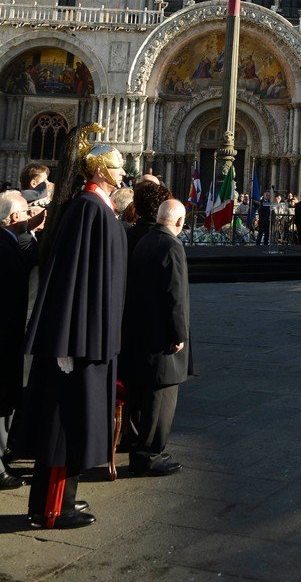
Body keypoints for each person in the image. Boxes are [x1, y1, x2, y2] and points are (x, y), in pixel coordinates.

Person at [21, 125, 128, 529]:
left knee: (77, 419)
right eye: (118, 165)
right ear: (99, 171)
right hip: (79, 339)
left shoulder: (97, 207)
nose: (124, 171)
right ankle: (52, 508)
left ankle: (67, 499)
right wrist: (69, 343)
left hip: (92, 335)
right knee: (64, 422)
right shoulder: (88, 209)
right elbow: (72, 281)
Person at [121, 199, 190, 476]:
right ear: (181, 222)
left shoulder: (146, 239)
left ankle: (141, 448)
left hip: (141, 333)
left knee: (144, 395)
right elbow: (175, 296)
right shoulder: (172, 246)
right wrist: (179, 334)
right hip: (162, 338)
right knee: (161, 398)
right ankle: (149, 455)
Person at [0, 191, 40, 490]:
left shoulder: (10, 242)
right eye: (26, 212)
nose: (30, 215)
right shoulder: (3, 246)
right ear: (14, 218)